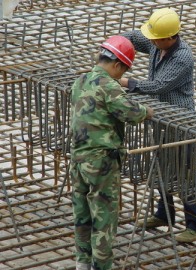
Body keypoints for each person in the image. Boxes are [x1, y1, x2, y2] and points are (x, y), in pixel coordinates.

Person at [120, 8, 196, 243]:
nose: (152, 43)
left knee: (185, 171)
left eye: (156, 39)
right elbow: (135, 37)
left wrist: (123, 81)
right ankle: (164, 214)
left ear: (171, 37)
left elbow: (158, 85)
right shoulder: (159, 44)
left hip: (180, 121)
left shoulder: (182, 57)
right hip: (160, 118)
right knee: (160, 165)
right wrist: (117, 44)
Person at [70, 35, 154, 270]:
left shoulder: (81, 80)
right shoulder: (108, 85)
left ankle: (83, 263)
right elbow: (132, 112)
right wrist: (148, 111)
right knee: (104, 217)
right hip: (101, 163)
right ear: (117, 65)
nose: (121, 77)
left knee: (82, 213)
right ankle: (102, 266)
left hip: (77, 159)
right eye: (122, 71)